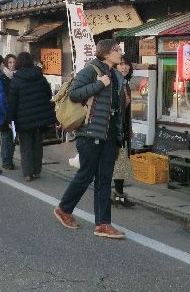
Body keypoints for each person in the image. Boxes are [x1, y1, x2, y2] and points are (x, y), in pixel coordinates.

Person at [54, 39, 128, 239]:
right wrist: (98, 84)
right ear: (105, 53)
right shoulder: (91, 70)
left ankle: (103, 224)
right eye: (116, 49)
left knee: (104, 179)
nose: (120, 52)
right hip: (89, 133)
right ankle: (64, 209)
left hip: (109, 134)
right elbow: (74, 94)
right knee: (86, 174)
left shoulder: (115, 74)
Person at [7, 52, 56, 182]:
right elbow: (48, 94)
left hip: (23, 118)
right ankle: (36, 171)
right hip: (40, 117)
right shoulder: (40, 76)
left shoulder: (16, 79)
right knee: (37, 144)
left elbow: (12, 101)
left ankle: (28, 173)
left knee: (26, 146)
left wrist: (10, 119)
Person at [112, 57, 135, 207]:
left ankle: (119, 195)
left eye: (127, 64)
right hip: (112, 130)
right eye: (121, 64)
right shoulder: (113, 83)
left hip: (122, 129)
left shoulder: (126, 85)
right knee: (111, 163)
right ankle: (108, 195)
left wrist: (129, 130)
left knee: (121, 163)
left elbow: (126, 112)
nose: (124, 67)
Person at [0, 54, 17, 170]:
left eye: (14, 62)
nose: (12, 64)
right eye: (10, 62)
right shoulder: (2, 77)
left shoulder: (18, 76)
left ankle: (9, 159)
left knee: (13, 136)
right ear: (6, 64)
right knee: (6, 136)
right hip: (4, 111)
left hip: (15, 111)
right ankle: (6, 161)